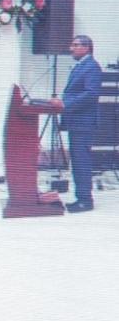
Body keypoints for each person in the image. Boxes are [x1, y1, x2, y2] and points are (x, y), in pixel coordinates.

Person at [51, 34, 102, 213]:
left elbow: (90, 94)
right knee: (78, 161)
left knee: (82, 162)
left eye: (75, 45)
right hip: (76, 122)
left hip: (83, 123)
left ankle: (85, 201)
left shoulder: (92, 67)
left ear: (86, 47)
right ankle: (81, 197)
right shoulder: (81, 66)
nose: (71, 48)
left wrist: (65, 104)